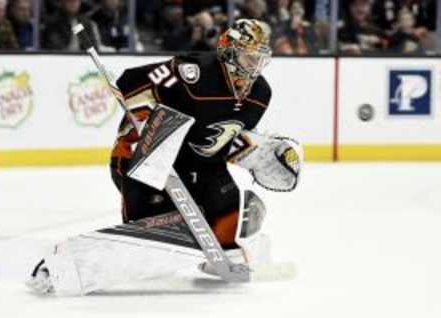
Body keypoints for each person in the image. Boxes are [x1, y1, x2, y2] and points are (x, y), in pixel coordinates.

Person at [26, 19, 302, 296]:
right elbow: (129, 84)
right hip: (144, 160)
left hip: (200, 166)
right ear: (229, 51)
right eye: (248, 57)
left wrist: (254, 152)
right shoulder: (192, 72)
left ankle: (224, 250)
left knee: (229, 210)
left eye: (259, 59)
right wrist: (146, 113)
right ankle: (65, 265)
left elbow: (223, 136)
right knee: (157, 229)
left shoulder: (260, 94)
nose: (254, 66)